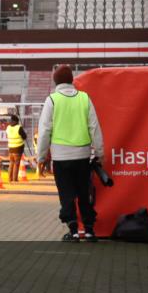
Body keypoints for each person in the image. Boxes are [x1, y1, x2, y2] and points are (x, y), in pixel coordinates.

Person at [36, 65, 104, 242]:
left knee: (66, 194)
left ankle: (73, 230)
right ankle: (89, 230)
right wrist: (99, 152)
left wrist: (41, 157)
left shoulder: (52, 100)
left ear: (55, 81)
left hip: (61, 158)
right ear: (72, 80)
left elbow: (44, 131)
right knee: (84, 193)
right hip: (82, 156)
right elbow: (94, 127)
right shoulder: (84, 98)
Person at [6, 115, 27, 183]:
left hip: (10, 148)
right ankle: (15, 179)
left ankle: (10, 179)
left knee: (11, 163)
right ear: (16, 121)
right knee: (16, 164)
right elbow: (24, 136)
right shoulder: (19, 127)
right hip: (18, 148)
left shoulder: (8, 127)